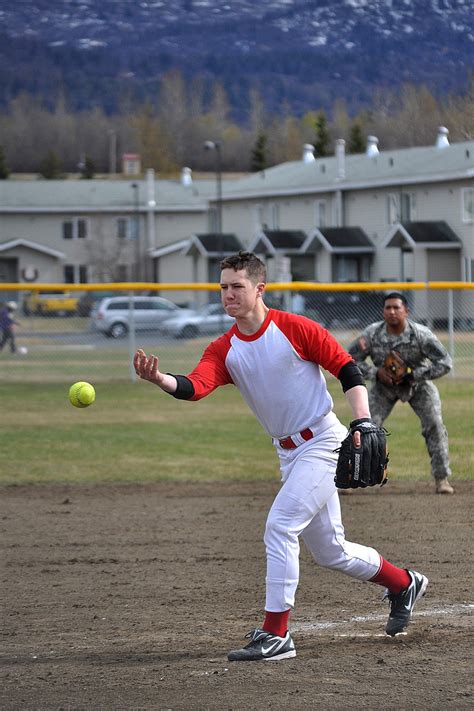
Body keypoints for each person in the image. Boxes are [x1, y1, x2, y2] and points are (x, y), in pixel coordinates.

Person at [134, 252, 428, 662]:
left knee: (281, 526)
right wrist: (160, 379)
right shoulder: (225, 348)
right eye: (223, 287)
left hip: (324, 442)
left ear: (259, 288)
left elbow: (346, 369)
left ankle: (276, 635)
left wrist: (362, 422)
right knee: (331, 551)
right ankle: (403, 583)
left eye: (237, 286)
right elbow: (197, 386)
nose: (228, 294)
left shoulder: (294, 328)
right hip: (289, 454)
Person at [348, 292, 454, 495]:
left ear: (406, 311)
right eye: (388, 308)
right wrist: (375, 373)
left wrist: (414, 375)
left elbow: (445, 362)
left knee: (435, 425)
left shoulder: (420, 334)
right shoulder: (372, 334)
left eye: (397, 308)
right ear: (383, 312)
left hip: (417, 385)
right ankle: (352, 476)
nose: (392, 311)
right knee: (364, 427)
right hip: (383, 386)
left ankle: (442, 479)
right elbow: (350, 359)